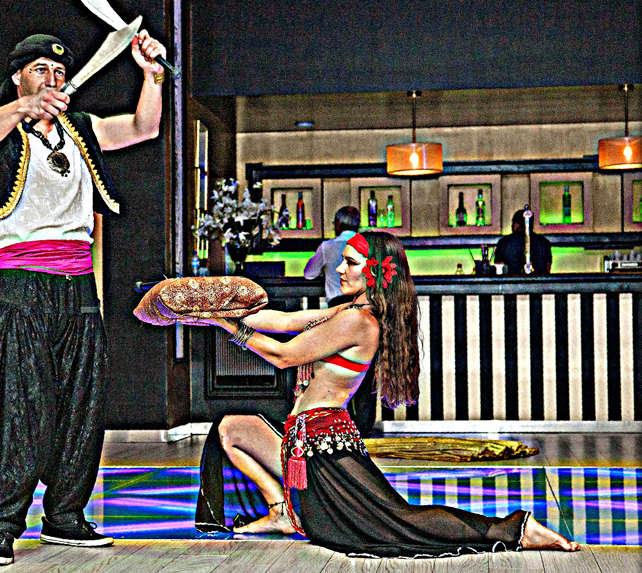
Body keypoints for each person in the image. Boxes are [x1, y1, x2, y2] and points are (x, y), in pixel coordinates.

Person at [190, 231, 579, 558]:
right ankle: (281, 510)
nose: (339, 269)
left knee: (401, 522)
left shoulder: (358, 321)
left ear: (375, 272)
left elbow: (284, 355)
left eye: (350, 263)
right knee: (231, 429)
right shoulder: (346, 311)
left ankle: (516, 529)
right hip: (303, 440)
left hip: (323, 448)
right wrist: (213, 310)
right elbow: (284, 320)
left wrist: (229, 327)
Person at [0, 30, 165, 566]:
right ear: (18, 77)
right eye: (39, 71)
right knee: (14, 405)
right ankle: (0, 527)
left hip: (77, 285)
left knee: (81, 404)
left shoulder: (82, 131)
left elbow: (144, 127)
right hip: (20, 284)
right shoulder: (1, 131)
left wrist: (151, 76)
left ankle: (66, 515)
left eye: (57, 72)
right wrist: (22, 109)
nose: (51, 79)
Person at [303, 206, 360, 307]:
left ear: (338, 224)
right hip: (362, 304)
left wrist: (323, 271)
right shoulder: (368, 245)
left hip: (337, 304)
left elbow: (309, 273)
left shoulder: (327, 247)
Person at [494, 209, 552, 275]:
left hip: (510, 281)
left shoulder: (504, 243)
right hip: (539, 281)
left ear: (515, 224)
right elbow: (547, 270)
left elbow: (499, 269)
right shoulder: (543, 243)